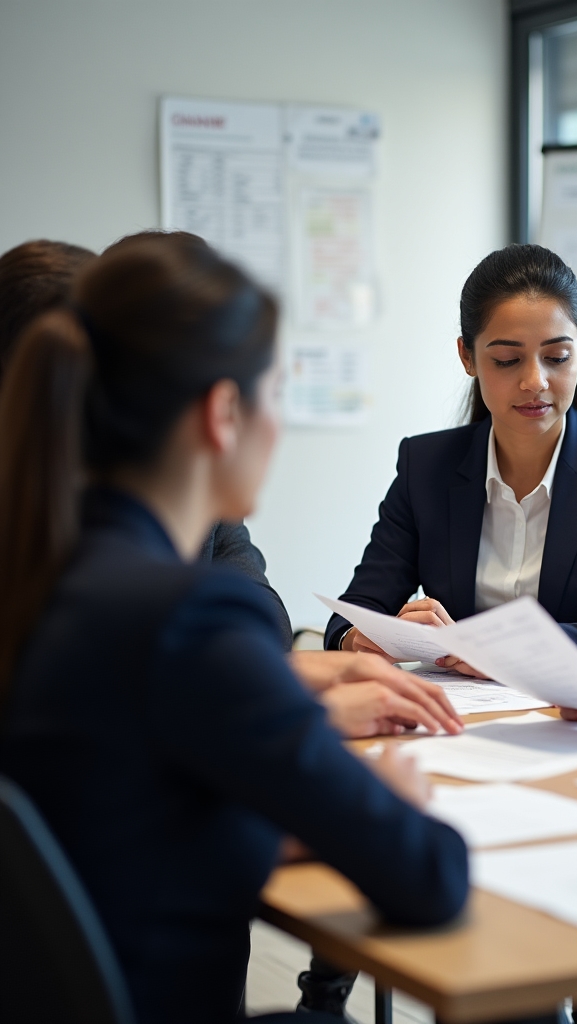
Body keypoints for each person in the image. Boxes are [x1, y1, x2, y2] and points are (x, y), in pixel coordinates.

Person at [0, 231, 469, 1024]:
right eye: (275, 392)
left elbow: (113, 819)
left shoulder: (44, 576)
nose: (279, 425)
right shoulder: (183, 614)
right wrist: (394, 796)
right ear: (223, 413)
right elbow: (428, 878)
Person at [0, 237, 461, 738]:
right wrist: (297, 711)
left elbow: (261, 628)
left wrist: (282, 679)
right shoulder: (116, 572)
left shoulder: (155, 522)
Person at [325, 244, 577, 668]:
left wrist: (496, 650)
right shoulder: (425, 466)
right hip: (455, 716)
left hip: (575, 715)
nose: (535, 381)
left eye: (557, 357)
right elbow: (353, 612)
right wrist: (362, 638)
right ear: (467, 357)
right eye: (508, 360)